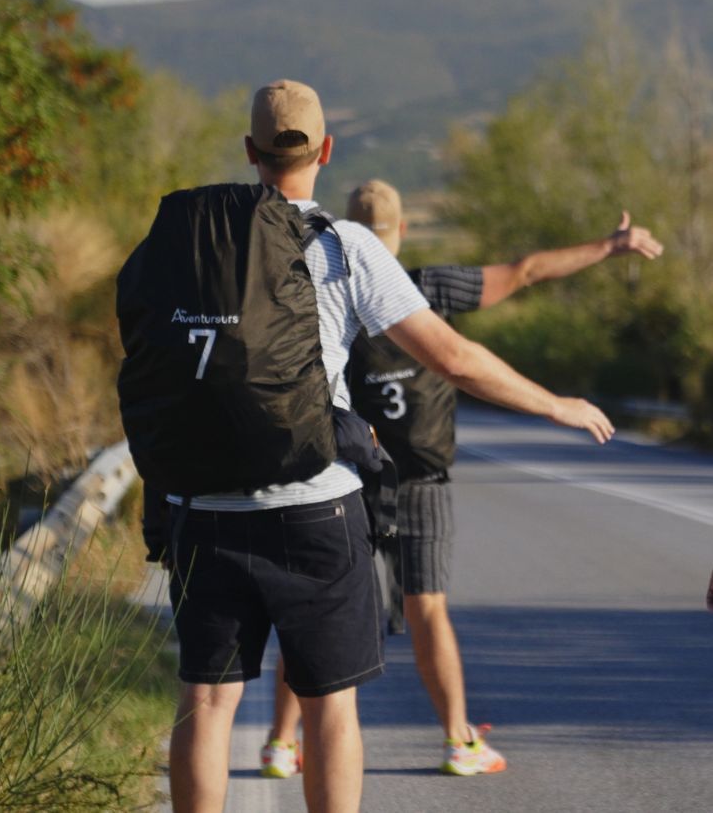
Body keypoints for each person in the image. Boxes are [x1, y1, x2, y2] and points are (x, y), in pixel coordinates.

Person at [163, 81, 614, 813]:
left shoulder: (194, 245)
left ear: (249, 151)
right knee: (330, 704)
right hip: (316, 509)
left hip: (206, 505)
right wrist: (556, 404)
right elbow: (454, 359)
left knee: (207, 702)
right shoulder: (343, 245)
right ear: (326, 151)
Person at [262, 178, 662, 781]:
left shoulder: (325, 274)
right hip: (419, 480)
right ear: (401, 230)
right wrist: (608, 246)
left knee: (316, 610)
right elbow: (525, 271)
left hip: (347, 473)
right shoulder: (429, 286)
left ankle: (279, 744)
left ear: (348, 225)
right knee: (427, 608)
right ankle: (458, 740)